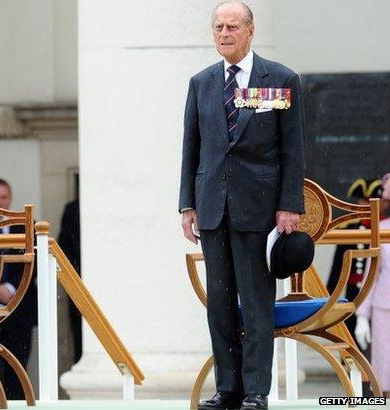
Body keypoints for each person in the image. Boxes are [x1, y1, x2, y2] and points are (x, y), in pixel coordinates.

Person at [178, 2, 305, 409]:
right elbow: (191, 148)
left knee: (255, 303)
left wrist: (289, 204)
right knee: (219, 304)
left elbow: (292, 148)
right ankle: (226, 388)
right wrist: (187, 205)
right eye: (218, 27)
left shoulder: (280, 80)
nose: (224, 34)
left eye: (232, 26)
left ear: (251, 31)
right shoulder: (201, 83)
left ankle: (255, 391)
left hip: (260, 208)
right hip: (213, 206)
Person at [0, 178, 37, 400]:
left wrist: (11, 287)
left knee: (17, 368)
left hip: (18, 309)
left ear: (10, 199)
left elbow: (32, 263)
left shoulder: (26, 225)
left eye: (3, 197)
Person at [326, 179, 384, 349]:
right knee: (351, 341)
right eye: (362, 201)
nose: (364, 205)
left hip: (378, 293)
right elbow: (338, 268)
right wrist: (329, 299)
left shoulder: (384, 228)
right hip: (353, 293)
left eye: (370, 201)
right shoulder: (349, 228)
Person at [355, 195, 390, 397]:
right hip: (384, 308)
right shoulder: (382, 228)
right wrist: (362, 316)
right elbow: (371, 275)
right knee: (384, 378)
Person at [57, 198, 82, 363]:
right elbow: (63, 247)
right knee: (79, 334)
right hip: (78, 284)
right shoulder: (73, 208)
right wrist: (77, 273)